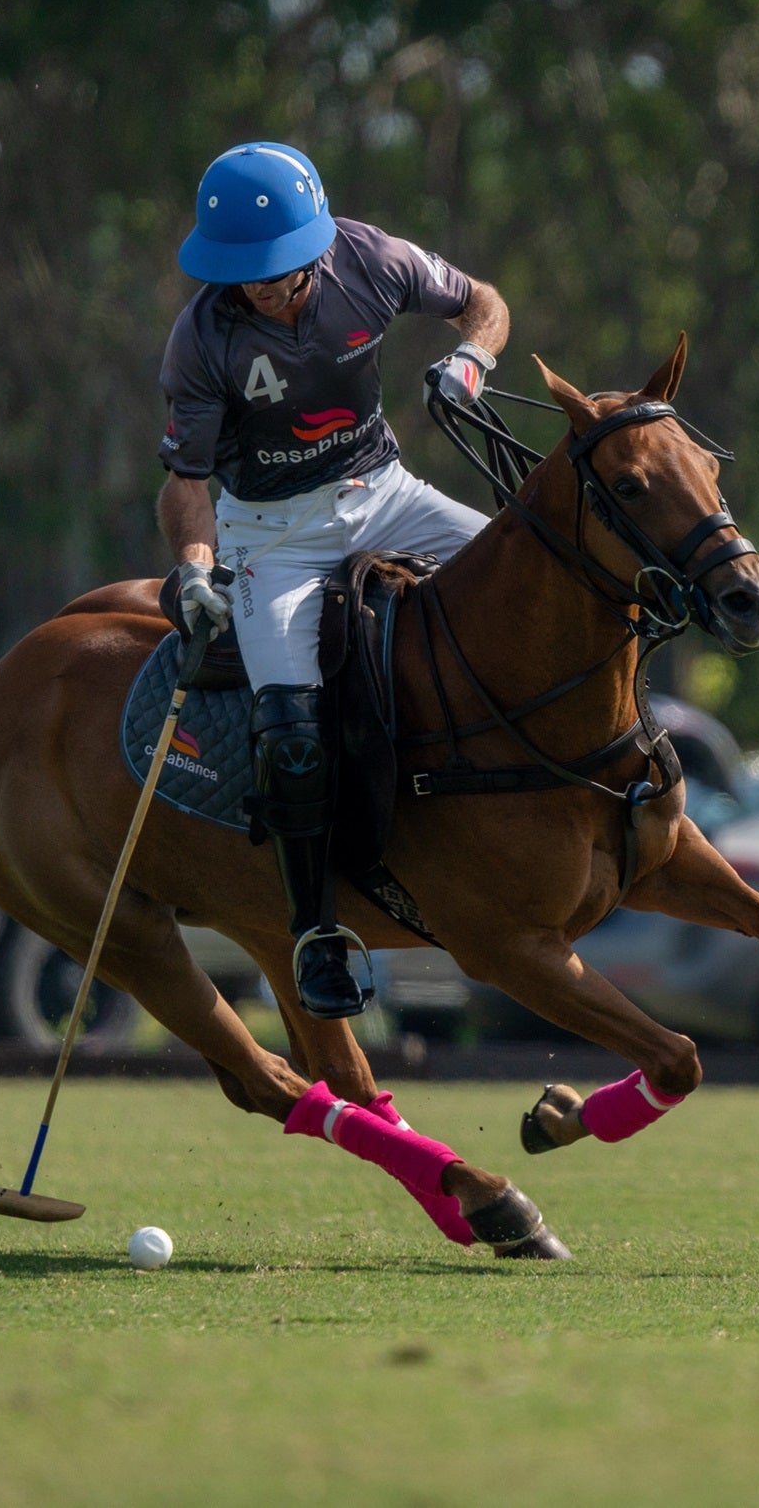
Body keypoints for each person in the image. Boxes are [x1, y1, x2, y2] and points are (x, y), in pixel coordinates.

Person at [150, 141, 511, 1020]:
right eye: (244, 274)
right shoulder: (203, 336)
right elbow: (186, 481)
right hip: (273, 537)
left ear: (315, 246)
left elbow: (483, 304)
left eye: (275, 272)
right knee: (291, 730)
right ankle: (316, 933)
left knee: (531, 586)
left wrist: (471, 362)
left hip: (387, 493)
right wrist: (197, 573)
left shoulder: (372, 260)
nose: (260, 289)